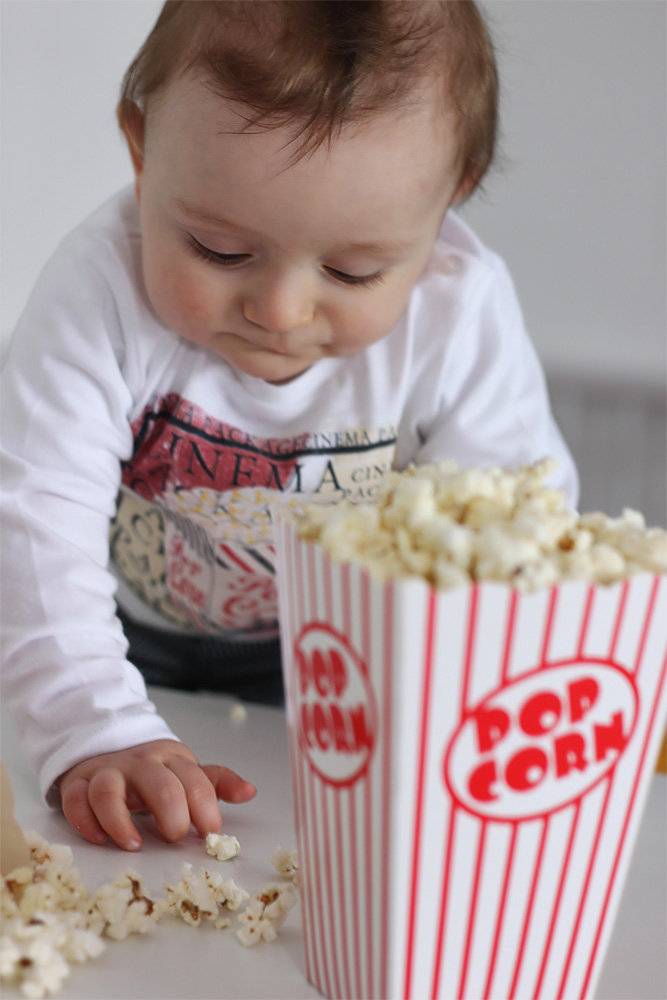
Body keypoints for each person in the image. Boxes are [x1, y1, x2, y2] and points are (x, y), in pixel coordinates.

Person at [0, 0, 578, 852]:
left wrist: (455, 710)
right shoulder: (99, 294)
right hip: (115, 634)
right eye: (219, 250)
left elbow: (510, 533)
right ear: (141, 148)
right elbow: (35, 515)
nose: (279, 310)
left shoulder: (457, 315)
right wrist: (95, 725)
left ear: (451, 195)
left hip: (344, 655)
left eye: (352, 270)